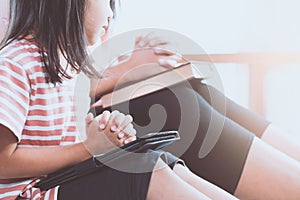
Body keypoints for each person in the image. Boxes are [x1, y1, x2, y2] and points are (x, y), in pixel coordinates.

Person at [0, 0, 239, 199]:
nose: (111, 13)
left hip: (53, 184)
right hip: (29, 194)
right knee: (145, 170)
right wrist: (86, 149)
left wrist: (102, 133)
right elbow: (3, 161)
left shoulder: (66, 67)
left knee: (161, 161)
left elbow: (51, 139)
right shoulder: (15, 64)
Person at [89, 1, 300, 199]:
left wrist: (128, 64)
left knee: (191, 90)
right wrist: (125, 70)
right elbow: (62, 87)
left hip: (97, 100)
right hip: (92, 124)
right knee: (173, 103)